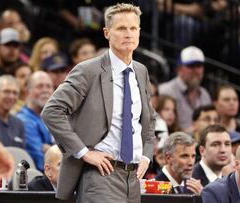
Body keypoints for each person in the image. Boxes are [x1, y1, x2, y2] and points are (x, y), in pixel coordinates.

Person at [41, 3, 156, 203]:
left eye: (132, 28)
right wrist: (84, 152)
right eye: (121, 28)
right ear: (106, 33)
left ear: (139, 32)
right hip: (100, 176)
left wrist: (146, 155)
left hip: (133, 177)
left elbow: (148, 119)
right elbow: (52, 111)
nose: (128, 34)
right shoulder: (88, 70)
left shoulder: (141, 71)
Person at [159, 46, 212, 132]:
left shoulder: (205, 94)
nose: (195, 71)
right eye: (191, 66)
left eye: (199, 66)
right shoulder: (165, 91)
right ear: (179, 69)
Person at [17, 71, 54, 172]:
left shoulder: (55, 117)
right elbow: (41, 162)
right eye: (39, 86)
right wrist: (55, 150)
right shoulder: (24, 121)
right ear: (28, 91)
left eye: (48, 86)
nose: (45, 90)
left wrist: (49, 150)